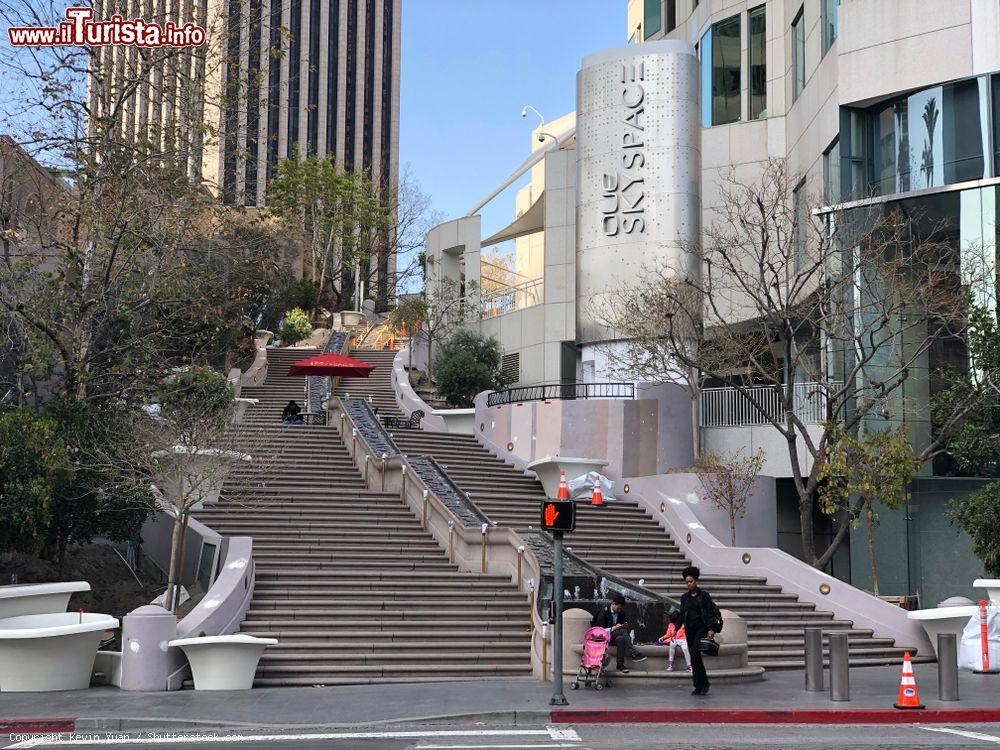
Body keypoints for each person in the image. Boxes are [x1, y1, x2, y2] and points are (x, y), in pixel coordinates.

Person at [677, 565, 720, 696]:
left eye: (691, 581)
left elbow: (710, 614)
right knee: (694, 658)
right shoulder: (684, 597)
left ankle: (704, 683)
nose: (689, 584)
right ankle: (699, 685)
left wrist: (711, 629)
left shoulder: (704, 596)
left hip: (701, 628)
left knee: (695, 654)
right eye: (687, 582)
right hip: (689, 630)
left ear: (696, 581)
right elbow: (682, 613)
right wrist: (676, 628)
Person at [591, 593, 647, 673]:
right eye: (618, 608)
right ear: (613, 604)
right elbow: (600, 630)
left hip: (613, 637)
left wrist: (625, 625)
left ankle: (620, 665)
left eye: (621, 609)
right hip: (602, 637)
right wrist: (614, 628)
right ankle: (633, 652)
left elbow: (623, 628)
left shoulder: (621, 613)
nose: (619, 610)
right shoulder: (603, 612)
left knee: (620, 639)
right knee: (622, 631)